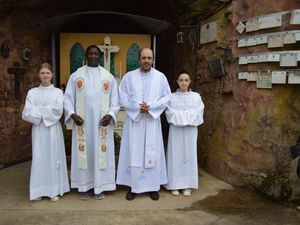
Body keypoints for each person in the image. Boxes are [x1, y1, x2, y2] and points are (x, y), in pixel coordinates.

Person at [64, 45, 119, 200]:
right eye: (90, 53)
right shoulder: (76, 76)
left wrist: (110, 115)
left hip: (102, 124)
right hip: (83, 124)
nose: (93, 56)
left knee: (100, 155)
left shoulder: (108, 77)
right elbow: (67, 98)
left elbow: (115, 101)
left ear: (100, 56)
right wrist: (73, 115)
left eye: (96, 54)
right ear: (86, 56)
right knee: (85, 154)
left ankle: (100, 186)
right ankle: (84, 186)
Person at [116, 48, 171, 201]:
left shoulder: (160, 77)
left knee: (152, 153)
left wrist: (151, 106)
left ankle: (153, 187)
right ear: (139, 59)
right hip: (135, 121)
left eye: (149, 58)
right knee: (134, 152)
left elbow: (166, 97)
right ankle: (133, 187)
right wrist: (138, 106)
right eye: (144, 58)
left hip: (152, 121)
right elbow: (123, 96)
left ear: (153, 59)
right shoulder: (129, 77)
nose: (146, 60)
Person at [22, 63, 70, 201]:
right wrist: (45, 110)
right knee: (39, 158)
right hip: (38, 129)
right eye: (42, 73)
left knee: (53, 158)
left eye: (47, 73)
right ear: (38, 75)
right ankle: (38, 191)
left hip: (52, 129)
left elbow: (57, 111)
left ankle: (53, 190)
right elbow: (27, 112)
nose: (45, 76)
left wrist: (39, 109)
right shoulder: (32, 92)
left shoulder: (58, 92)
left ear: (52, 75)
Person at [164, 71, 205, 196]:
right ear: (177, 81)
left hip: (190, 130)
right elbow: (170, 114)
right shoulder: (171, 97)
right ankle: (174, 184)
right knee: (175, 155)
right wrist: (188, 115)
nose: (183, 82)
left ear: (190, 82)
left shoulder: (196, 97)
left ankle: (188, 185)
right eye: (181, 80)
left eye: (186, 80)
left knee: (189, 156)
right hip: (176, 131)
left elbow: (198, 113)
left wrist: (181, 116)